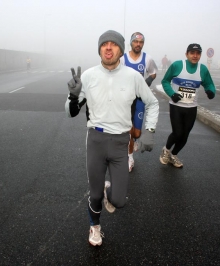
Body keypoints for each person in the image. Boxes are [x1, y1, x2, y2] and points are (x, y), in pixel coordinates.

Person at [64, 30, 159, 246]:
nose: (108, 48)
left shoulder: (133, 77)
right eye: (104, 44)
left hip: (120, 143)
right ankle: (94, 227)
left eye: (113, 44)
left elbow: (152, 103)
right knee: (95, 195)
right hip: (95, 140)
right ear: (99, 49)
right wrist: (72, 96)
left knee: (119, 201)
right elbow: (70, 112)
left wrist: (149, 131)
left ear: (120, 50)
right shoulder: (88, 76)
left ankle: (110, 191)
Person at [160, 43, 216, 168]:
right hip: (176, 106)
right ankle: (166, 149)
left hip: (192, 107)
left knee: (185, 136)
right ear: (187, 54)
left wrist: (211, 92)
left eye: (198, 53)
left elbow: (209, 84)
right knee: (178, 132)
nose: (195, 56)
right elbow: (165, 81)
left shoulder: (203, 69)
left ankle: (173, 155)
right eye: (192, 53)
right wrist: (172, 93)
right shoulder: (177, 65)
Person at [121, 32, 157, 172]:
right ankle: (129, 157)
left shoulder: (147, 59)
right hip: (126, 99)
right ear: (131, 43)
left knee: (136, 133)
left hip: (140, 99)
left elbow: (153, 72)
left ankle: (134, 141)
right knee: (128, 131)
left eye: (141, 42)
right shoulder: (123, 59)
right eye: (135, 42)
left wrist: (149, 79)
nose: (138, 44)